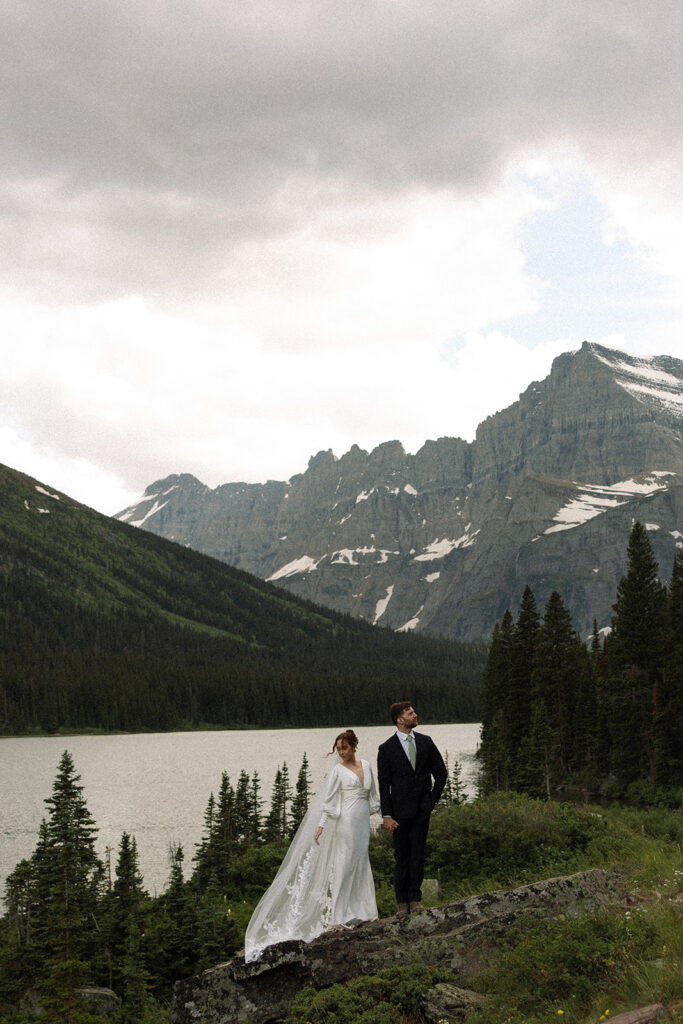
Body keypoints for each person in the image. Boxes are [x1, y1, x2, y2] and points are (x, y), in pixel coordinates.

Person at [244, 729, 380, 961]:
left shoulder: (366, 765)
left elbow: (373, 797)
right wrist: (321, 825)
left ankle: (362, 910)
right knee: (344, 863)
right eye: (338, 749)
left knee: (360, 862)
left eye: (344, 748)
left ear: (354, 746)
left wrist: (386, 815)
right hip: (346, 822)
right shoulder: (337, 771)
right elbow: (328, 801)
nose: (341, 752)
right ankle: (339, 915)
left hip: (361, 822)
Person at [377, 702, 447, 917]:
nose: (415, 715)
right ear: (400, 720)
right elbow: (383, 785)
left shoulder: (426, 742)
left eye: (414, 712)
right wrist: (386, 815)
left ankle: (415, 900)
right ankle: (401, 903)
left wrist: (431, 801)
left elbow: (441, 773)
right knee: (402, 857)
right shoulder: (386, 748)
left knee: (417, 854)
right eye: (410, 713)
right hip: (398, 813)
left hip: (421, 811)